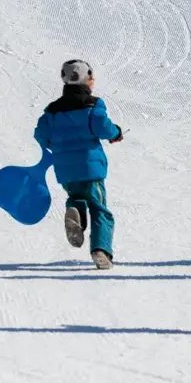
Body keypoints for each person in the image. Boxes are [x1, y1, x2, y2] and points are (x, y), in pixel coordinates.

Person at [34, 60, 124, 269]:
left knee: (77, 196)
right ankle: (101, 250)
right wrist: (116, 133)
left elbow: (40, 134)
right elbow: (102, 127)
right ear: (87, 79)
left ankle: (75, 209)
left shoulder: (52, 110)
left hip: (65, 169)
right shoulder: (93, 105)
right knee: (100, 209)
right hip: (90, 167)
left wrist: (55, 145)